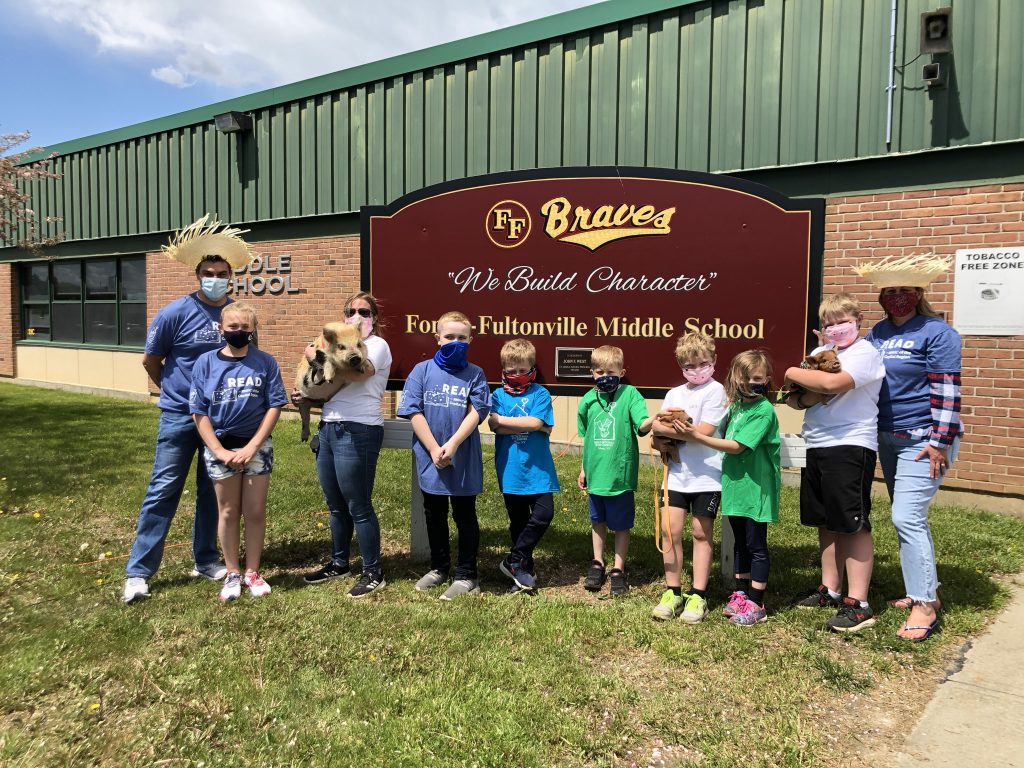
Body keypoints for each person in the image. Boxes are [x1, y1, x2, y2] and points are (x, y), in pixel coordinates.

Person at [123, 216, 253, 604]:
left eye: (222, 273)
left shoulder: (238, 316)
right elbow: (151, 360)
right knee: (164, 489)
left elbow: (246, 361)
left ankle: (206, 558)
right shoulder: (174, 313)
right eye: (208, 273)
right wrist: (176, 393)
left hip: (222, 420)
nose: (215, 278)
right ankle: (139, 572)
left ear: (231, 277)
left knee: (213, 493)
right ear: (197, 275)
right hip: (180, 416)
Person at [855, 254, 962, 642]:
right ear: (882, 296)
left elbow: (947, 391)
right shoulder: (878, 333)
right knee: (908, 516)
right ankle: (923, 589)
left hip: (924, 439)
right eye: (890, 291)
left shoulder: (937, 332)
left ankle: (923, 605)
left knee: (905, 517)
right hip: (888, 436)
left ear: (919, 294)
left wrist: (940, 442)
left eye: (905, 290)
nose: (897, 296)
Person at [782, 293, 885, 633]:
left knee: (852, 523)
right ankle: (830, 589)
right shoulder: (820, 354)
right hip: (818, 442)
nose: (836, 328)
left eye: (842, 321)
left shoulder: (865, 354)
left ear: (858, 320)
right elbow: (796, 400)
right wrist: (809, 385)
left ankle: (859, 604)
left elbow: (830, 382)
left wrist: (794, 372)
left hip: (850, 444)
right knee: (825, 520)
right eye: (829, 323)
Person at [189, 302, 288, 601]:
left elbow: (274, 405)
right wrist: (217, 449)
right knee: (229, 511)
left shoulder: (265, 362)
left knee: (255, 510)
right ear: (221, 328)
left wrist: (253, 445)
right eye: (232, 327)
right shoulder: (205, 363)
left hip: (255, 446)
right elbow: (198, 411)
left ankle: (253, 572)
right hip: (221, 447)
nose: (238, 332)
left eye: (245, 327)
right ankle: (232, 571)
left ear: (254, 329)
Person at [299, 292, 393, 598]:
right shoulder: (334, 345)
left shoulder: (375, 346)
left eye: (364, 312)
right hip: (329, 427)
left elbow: (357, 372)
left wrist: (320, 359)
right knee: (335, 505)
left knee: (358, 505)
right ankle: (339, 563)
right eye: (351, 311)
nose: (357, 316)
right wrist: (306, 395)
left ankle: (372, 570)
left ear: (374, 317)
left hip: (359, 429)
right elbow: (325, 390)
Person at [679, 350, 780, 626]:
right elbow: (716, 430)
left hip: (756, 489)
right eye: (745, 378)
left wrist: (696, 436)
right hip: (734, 487)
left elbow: (737, 447)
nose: (751, 383)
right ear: (736, 379)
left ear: (767, 379)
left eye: (758, 378)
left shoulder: (764, 410)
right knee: (739, 545)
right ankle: (741, 593)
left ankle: (757, 602)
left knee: (756, 545)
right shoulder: (735, 408)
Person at [397, 311, 491, 601]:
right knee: (433, 512)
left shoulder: (475, 373)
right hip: (430, 457)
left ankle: (466, 574)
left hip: (462, 458)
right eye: (449, 337)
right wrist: (434, 448)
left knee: (464, 515)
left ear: (471, 340)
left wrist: (451, 444)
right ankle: (438, 567)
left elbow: (478, 410)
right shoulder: (421, 370)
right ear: (437, 338)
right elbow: (413, 409)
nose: (455, 342)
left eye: (462, 338)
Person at [645, 332, 728, 622]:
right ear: (681, 365)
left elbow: (702, 432)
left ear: (714, 361)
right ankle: (673, 592)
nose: (696, 370)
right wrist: (660, 435)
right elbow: (655, 432)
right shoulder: (674, 394)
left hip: (707, 477)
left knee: (701, 533)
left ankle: (699, 595)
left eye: (702, 363)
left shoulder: (716, 391)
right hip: (675, 476)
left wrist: (663, 429)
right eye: (689, 366)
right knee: (670, 533)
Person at [577, 345, 651, 597]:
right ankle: (598, 562)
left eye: (611, 371)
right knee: (597, 521)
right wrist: (583, 469)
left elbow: (641, 424)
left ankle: (619, 568)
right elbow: (586, 436)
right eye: (600, 371)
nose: (605, 375)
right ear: (592, 373)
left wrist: (655, 421)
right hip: (595, 473)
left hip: (620, 474)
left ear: (622, 371)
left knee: (620, 524)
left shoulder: (630, 395)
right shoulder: (587, 400)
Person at [487, 339, 560, 593]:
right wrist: (534, 424)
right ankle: (523, 572)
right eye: (511, 370)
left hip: (538, 470)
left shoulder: (540, 393)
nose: (516, 375)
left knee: (543, 515)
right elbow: (494, 425)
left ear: (532, 368)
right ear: (503, 370)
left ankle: (513, 558)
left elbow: (534, 422)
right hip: (510, 470)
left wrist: (527, 423)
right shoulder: (497, 395)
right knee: (518, 522)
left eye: (522, 369)